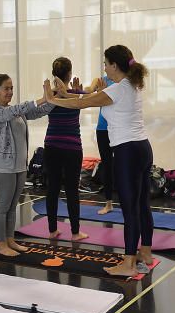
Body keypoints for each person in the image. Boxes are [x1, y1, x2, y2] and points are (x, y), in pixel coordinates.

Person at [43, 45, 154, 277]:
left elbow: (83, 104)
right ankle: (145, 253)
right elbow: (91, 98)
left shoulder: (119, 89)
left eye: (105, 63)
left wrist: (53, 99)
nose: (104, 67)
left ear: (114, 65)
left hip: (127, 151)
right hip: (142, 148)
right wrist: (66, 94)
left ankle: (128, 263)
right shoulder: (127, 86)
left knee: (130, 208)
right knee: (142, 205)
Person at [0, 74, 52, 257]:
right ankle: (0, 243)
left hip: (19, 166)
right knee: (3, 207)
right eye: (6, 88)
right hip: (3, 167)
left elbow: (39, 111)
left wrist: (54, 99)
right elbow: (13, 111)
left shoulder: (16, 110)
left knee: (13, 207)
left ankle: (10, 239)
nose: (10, 92)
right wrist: (41, 98)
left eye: (11, 88)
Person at [42, 57, 86, 240]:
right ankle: (75, 233)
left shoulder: (49, 95)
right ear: (69, 73)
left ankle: (52, 230)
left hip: (51, 145)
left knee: (52, 188)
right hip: (71, 147)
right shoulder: (75, 94)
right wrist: (77, 91)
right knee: (71, 190)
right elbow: (90, 95)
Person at [87, 74, 116, 214]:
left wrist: (103, 93)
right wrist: (70, 91)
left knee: (124, 165)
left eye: (107, 63)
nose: (105, 67)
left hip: (118, 128)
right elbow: (88, 90)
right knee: (107, 164)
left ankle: (129, 202)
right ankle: (109, 203)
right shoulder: (101, 80)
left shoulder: (124, 81)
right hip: (103, 129)